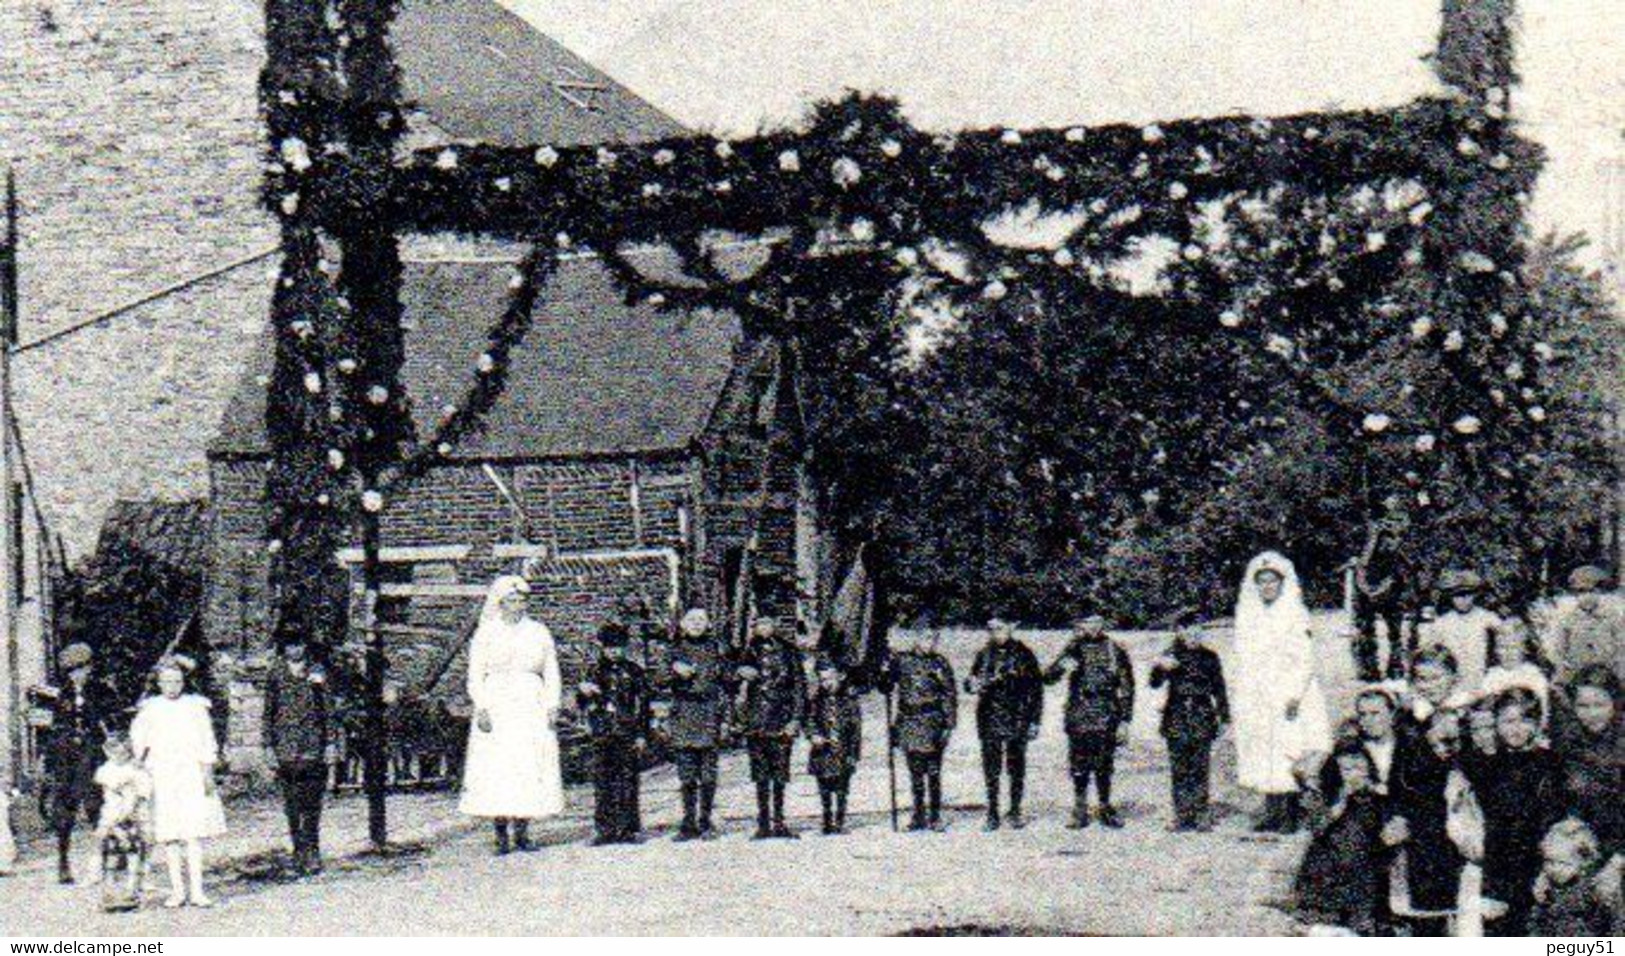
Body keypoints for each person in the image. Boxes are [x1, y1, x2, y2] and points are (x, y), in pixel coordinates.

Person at [458, 575, 564, 854]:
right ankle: (500, 832)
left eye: (521, 601)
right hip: (497, 702)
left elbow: (551, 670)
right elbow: (474, 675)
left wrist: (552, 704)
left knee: (527, 764)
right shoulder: (487, 633)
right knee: (498, 765)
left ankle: (523, 830)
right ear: (500, 603)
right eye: (511, 601)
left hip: (531, 702)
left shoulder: (538, 631)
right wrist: (481, 706)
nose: (517, 606)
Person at [1229, 551, 1331, 834]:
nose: (1267, 587)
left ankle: (1289, 812)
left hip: (1289, 693)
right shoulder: (1250, 615)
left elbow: (1305, 659)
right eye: (1261, 582)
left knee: (1288, 749)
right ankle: (1271, 810)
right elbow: (1243, 657)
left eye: (1272, 581)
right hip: (1259, 694)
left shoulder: (1295, 614)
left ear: (1282, 583)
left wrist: (1295, 694)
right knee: (1263, 750)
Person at [1462, 688, 1565, 935]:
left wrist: (1545, 872)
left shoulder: (1550, 764)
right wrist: (1491, 888)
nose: (1516, 729)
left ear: (1538, 723)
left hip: (1538, 870)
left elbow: (1552, 821)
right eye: (1508, 721)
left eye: (1526, 720)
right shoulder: (1486, 766)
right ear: (1495, 723)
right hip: (1498, 872)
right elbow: (1491, 829)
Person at [130, 656, 226, 908]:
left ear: (183, 682)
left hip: (190, 773)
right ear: (159, 683)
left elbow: (207, 740)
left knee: (193, 833)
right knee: (170, 834)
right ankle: (177, 891)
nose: (172, 686)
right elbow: (138, 743)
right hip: (162, 775)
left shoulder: (195, 707)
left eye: (177, 681)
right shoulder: (150, 709)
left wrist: (207, 772)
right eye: (167, 681)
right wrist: (139, 770)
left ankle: (197, 890)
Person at [1044, 614, 1135, 829]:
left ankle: (1104, 807)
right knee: (1079, 763)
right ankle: (1080, 809)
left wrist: (1125, 719)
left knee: (1105, 763)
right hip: (1079, 714)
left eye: (1096, 622)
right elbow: (1047, 678)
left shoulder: (1114, 649)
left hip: (1106, 713)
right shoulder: (1072, 648)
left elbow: (1127, 686)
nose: (1092, 627)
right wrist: (1063, 668)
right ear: (1080, 624)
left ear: (1103, 623)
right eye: (1087, 622)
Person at [1383, 708, 1467, 935]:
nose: (1445, 745)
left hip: (1458, 852)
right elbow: (1398, 796)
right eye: (1439, 737)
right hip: (1424, 853)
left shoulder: (1464, 761)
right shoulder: (1412, 760)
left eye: (1452, 737)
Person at [1292, 744, 1389, 936]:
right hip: (1326, 880)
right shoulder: (1324, 796)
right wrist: (1341, 801)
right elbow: (1315, 826)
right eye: (1346, 769)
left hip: (1362, 880)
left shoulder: (1376, 798)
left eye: (1360, 768)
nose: (1354, 775)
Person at [42, 642, 116, 884]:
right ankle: (63, 862)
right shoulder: (60, 694)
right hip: (67, 758)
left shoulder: (101, 691)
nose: (78, 675)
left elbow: (109, 724)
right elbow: (54, 729)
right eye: (73, 671)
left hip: (92, 755)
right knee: (65, 809)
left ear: (90, 668)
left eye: (82, 669)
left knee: (96, 805)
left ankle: (103, 859)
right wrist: (50, 760)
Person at [261, 628, 331, 875]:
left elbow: (327, 710)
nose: (295, 650)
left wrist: (330, 743)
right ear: (284, 648)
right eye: (290, 645)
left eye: (299, 644)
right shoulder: (275, 673)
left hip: (312, 745)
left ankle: (312, 849)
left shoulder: (317, 671)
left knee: (312, 801)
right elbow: (268, 713)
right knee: (291, 803)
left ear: (305, 647)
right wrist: (268, 746)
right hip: (286, 748)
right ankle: (297, 849)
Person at [965, 618, 1043, 830]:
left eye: (999, 628)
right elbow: (971, 680)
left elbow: (1036, 690)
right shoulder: (984, 653)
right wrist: (971, 685)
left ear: (1011, 628)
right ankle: (992, 812)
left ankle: (1015, 810)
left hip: (1017, 716)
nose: (995, 633)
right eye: (990, 629)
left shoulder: (1024, 654)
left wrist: (1035, 720)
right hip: (989, 717)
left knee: (1016, 767)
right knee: (991, 768)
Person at [578, 619, 650, 845]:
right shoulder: (594, 671)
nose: (615, 651)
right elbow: (581, 703)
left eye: (619, 647)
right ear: (603, 648)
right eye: (610, 647)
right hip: (602, 732)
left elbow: (644, 705)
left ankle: (629, 829)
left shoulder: (635, 671)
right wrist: (583, 692)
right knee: (603, 782)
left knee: (628, 780)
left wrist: (641, 734)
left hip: (627, 732)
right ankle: (605, 830)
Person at [734, 617, 807, 839]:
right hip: (754, 721)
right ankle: (763, 822)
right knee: (760, 774)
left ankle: (779, 821)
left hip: (780, 719)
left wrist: (795, 719)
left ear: (774, 626)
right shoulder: (745, 652)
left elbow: (799, 687)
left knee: (780, 773)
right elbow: (727, 683)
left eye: (767, 623)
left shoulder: (788, 651)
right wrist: (739, 673)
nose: (763, 628)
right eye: (758, 624)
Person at [1150, 626, 1228, 831]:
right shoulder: (1170, 654)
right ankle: (1182, 815)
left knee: (1200, 766)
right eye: (1188, 633)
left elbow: (1219, 688)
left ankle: (1201, 813)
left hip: (1202, 713)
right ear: (1179, 633)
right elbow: (1154, 684)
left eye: (1197, 633)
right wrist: (1159, 666)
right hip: (1176, 715)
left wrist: (1224, 717)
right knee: (1179, 768)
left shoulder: (1210, 657)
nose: (1193, 638)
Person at [881, 627, 957, 832]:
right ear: (916, 638)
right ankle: (918, 815)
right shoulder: (902, 661)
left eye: (934, 639)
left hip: (933, 721)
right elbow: (886, 686)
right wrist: (885, 670)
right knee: (915, 772)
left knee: (933, 772)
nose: (930, 643)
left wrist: (949, 724)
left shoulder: (940, 663)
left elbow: (950, 694)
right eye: (926, 638)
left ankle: (935, 816)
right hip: (909, 721)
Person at [666, 608, 726, 840]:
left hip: (710, 713)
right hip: (683, 715)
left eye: (701, 619)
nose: (696, 624)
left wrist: (726, 719)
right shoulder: (674, 650)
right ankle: (688, 821)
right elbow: (657, 680)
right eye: (691, 620)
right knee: (687, 774)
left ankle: (706, 820)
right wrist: (673, 670)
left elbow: (727, 683)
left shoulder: (716, 649)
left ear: (709, 624)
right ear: (682, 624)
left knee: (708, 773)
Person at [1552, 665, 1623, 861]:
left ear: (1615, 704)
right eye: (1583, 706)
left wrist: (1619, 860)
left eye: (1599, 705)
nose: (1592, 714)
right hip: (1584, 851)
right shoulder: (1569, 744)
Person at [1528, 819, 1623, 937]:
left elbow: (1616, 922)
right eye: (1549, 861)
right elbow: (1537, 922)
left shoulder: (1597, 887)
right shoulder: (1547, 888)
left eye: (1563, 863)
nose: (1554, 869)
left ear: (1585, 862)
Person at [91, 735, 152, 912]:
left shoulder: (137, 771)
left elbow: (141, 794)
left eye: (123, 752)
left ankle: (132, 890)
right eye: (113, 752)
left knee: (134, 853)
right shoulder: (106, 770)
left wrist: (129, 812)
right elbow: (109, 789)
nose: (118, 756)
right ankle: (108, 891)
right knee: (110, 854)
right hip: (111, 817)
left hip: (132, 817)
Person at [1417, 570, 1503, 694]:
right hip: (1452, 682)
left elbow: (1506, 631)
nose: (1463, 600)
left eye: (1468, 594)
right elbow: (1427, 646)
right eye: (1458, 595)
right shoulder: (1443, 622)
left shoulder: (1485, 616)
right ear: (1451, 597)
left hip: (1478, 679)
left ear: (1475, 594)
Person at [1350, 514, 1413, 681]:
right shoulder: (1369, 532)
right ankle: (1370, 668)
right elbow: (1362, 562)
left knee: (1396, 632)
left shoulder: (1399, 536)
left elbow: (1404, 562)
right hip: (1368, 583)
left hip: (1390, 586)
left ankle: (1396, 666)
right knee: (1365, 629)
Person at [806, 655, 862, 835]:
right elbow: (809, 720)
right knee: (823, 787)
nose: (826, 683)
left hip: (843, 750)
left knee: (841, 787)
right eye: (822, 679)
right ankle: (827, 820)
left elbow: (855, 730)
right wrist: (813, 734)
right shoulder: (816, 700)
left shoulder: (849, 700)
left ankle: (840, 820)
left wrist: (854, 753)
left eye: (829, 678)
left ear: (841, 676)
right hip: (822, 751)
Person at [1543, 565, 1623, 687]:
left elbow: (1621, 645)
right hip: (1575, 672)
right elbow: (1556, 647)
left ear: (1600, 592)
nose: (1587, 597)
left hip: (1608, 672)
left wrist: (1614, 667)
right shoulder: (1567, 618)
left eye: (1592, 591)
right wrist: (1564, 664)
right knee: (1557, 689)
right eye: (1581, 592)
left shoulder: (1612, 616)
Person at [1480, 620, 1550, 722]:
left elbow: (1544, 710)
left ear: (1524, 649)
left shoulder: (1533, 673)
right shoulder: (1492, 675)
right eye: (1503, 647)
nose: (1509, 653)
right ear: (1495, 650)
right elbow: (1486, 708)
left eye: (1514, 647)